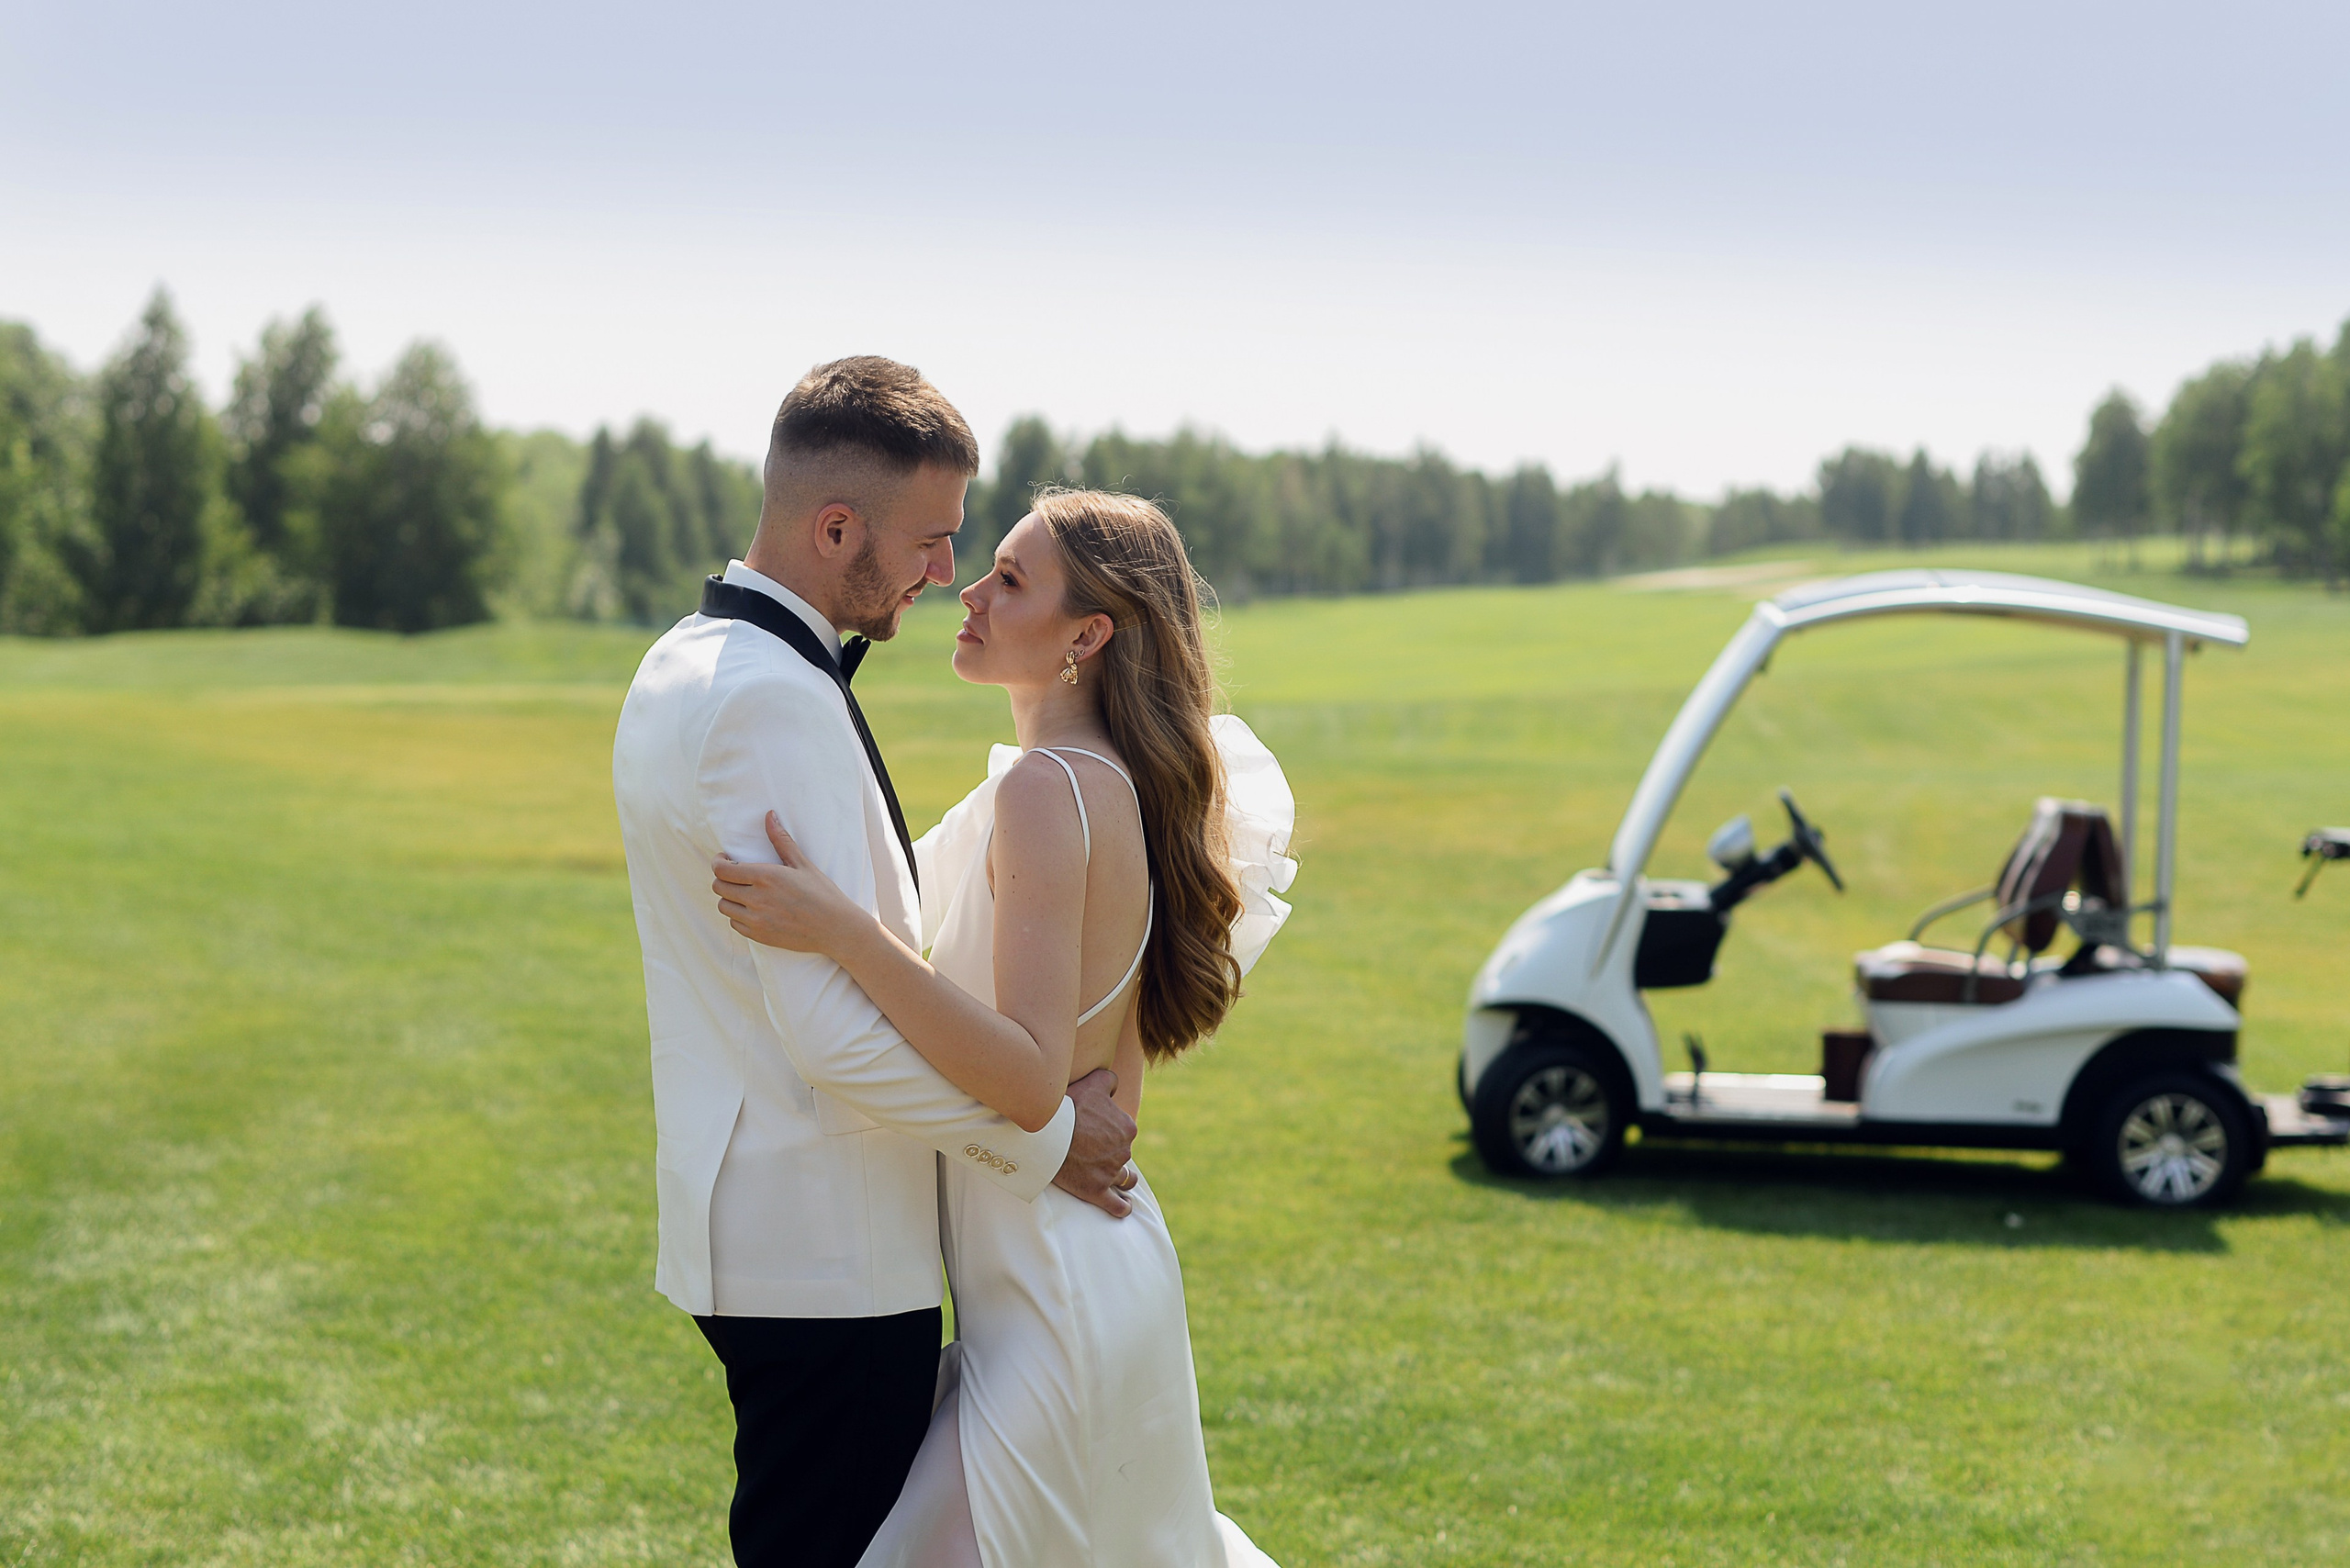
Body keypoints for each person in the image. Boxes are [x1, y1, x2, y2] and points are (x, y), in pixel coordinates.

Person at [611, 358, 1144, 1568]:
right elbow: (837, 1039)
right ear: (836, 525)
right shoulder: (768, 698)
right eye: (932, 541)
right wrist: (1048, 1142)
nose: (944, 577)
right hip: (829, 1255)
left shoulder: (681, 662)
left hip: (756, 1234)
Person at [711, 487, 1296, 1567]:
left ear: (1088, 635)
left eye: (1010, 580)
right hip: (1077, 1272)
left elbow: (1032, 1083)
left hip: (1052, 1300)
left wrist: (837, 930)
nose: (967, 592)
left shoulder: (1045, 790)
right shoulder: (1098, 786)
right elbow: (1109, 1082)